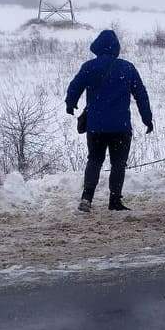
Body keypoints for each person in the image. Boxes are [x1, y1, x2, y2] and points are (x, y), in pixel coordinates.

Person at [66, 29, 153, 213]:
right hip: (120, 127)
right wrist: (147, 118)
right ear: (116, 48)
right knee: (118, 164)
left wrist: (70, 103)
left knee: (94, 160)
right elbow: (141, 95)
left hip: (96, 126)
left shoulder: (89, 66)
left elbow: (75, 86)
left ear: (97, 47)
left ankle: (86, 198)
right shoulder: (127, 68)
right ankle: (114, 200)